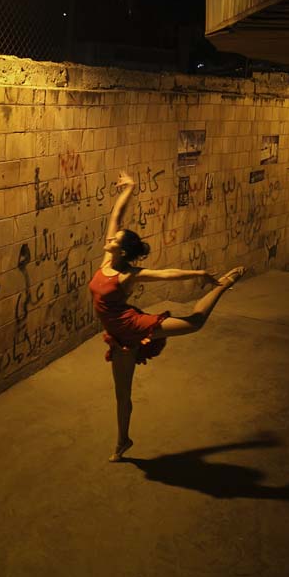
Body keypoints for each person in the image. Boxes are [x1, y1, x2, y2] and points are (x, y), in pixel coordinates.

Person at [88, 171, 246, 463]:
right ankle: (123, 441)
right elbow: (116, 215)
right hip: (118, 338)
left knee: (195, 323)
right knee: (122, 395)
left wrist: (199, 273)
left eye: (114, 240)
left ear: (120, 250)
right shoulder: (108, 260)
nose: (109, 238)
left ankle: (224, 284)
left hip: (135, 326)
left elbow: (166, 274)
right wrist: (130, 188)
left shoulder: (127, 276)